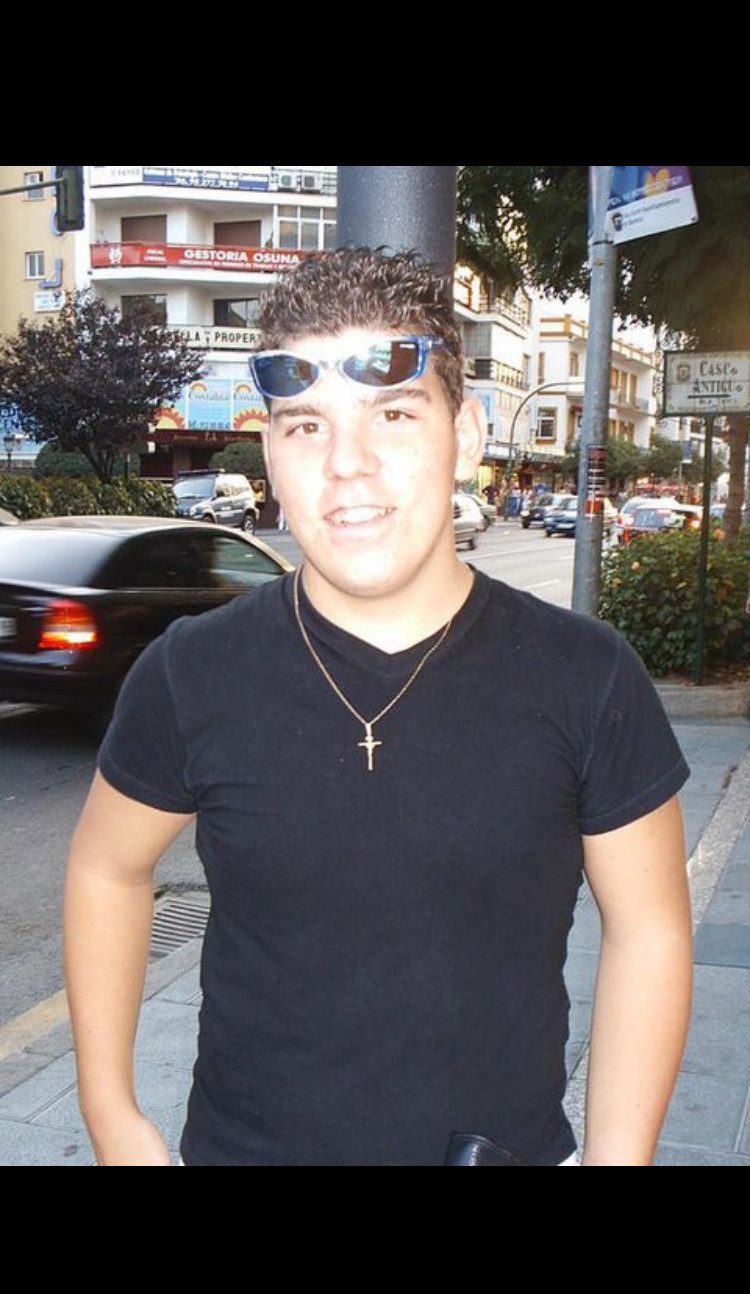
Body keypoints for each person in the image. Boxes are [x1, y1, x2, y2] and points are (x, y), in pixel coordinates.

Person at [64, 248, 692, 1167]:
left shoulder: (585, 676)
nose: (347, 466)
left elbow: (651, 931)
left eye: (392, 414)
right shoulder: (190, 673)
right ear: (270, 452)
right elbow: (105, 870)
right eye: (306, 426)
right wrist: (111, 1116)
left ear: (465, 436)